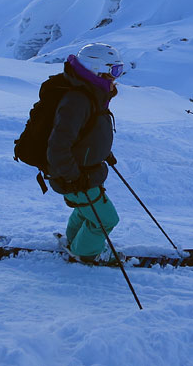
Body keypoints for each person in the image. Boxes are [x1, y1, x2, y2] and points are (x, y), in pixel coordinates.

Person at [46, 42, 124, 262]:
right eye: (114, 70)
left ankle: (74, 242)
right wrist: (73, 177)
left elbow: (87, 132)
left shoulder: (91, 93)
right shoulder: (78, 100)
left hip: (83, 172)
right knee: (106, 219)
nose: (116, 77)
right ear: (96, 69)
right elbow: (58, 145)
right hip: (74, 175)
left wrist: (102, 151)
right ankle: (86, 253)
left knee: (85, 210)